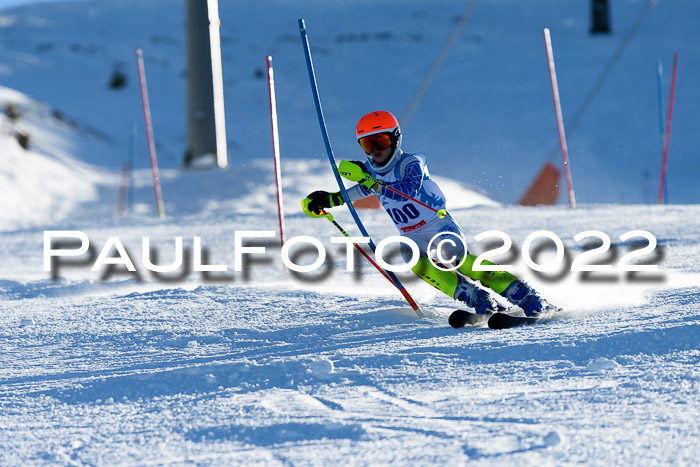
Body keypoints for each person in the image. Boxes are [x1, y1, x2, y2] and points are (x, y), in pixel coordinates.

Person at [302, 110, 556, 316]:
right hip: (411, 235)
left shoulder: (412, 162)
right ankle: (475, 297)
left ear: (396, 139)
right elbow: (357, 191)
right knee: (414, 260)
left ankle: (524, 295)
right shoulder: (370, 172)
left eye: (382, 141)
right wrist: (329, 199)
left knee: (453, 256)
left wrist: (371, 182)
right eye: (368, 144)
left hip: (436, 224)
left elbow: (407, 190)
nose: (375, 150)